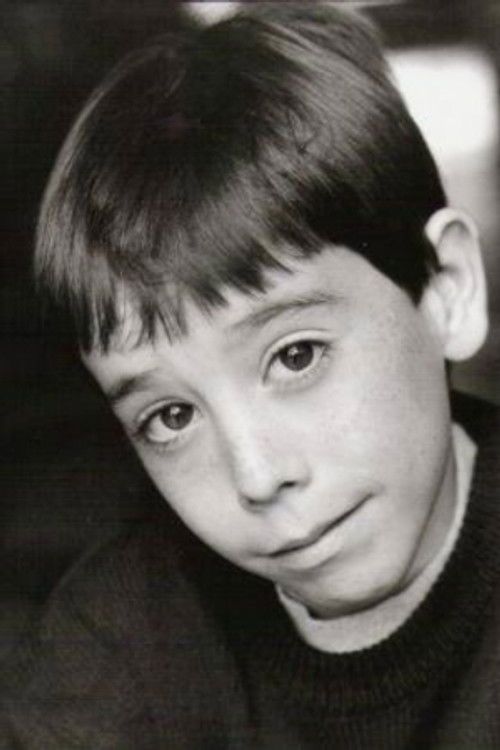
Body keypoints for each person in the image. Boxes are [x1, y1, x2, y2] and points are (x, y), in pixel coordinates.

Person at [2, 3, 499, 748]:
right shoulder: (116, 648)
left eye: (296, 356)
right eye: (171, 417)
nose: (258, 476)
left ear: (447, 290)